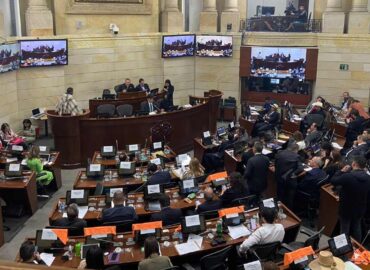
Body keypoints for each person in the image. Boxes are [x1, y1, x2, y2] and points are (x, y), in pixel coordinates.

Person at [331, 156, 370, 241]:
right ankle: (358, 247)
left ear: (354, 164)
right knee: (356, 227)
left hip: (346, 207)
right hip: (360, 208)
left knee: (344, 229)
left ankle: (342, 250)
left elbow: (333, 181)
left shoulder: (348, 176)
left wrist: (341, 171)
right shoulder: (368, 178)